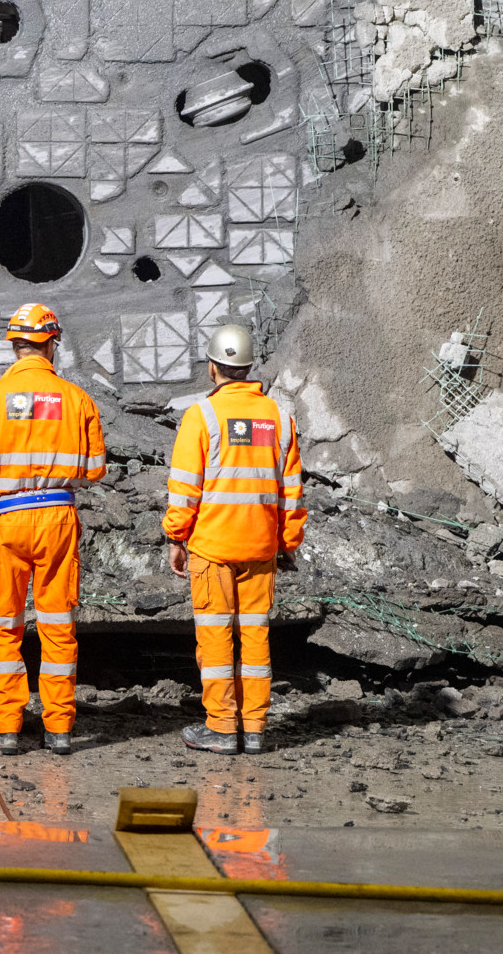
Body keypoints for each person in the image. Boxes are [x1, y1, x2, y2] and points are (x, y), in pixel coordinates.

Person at [0, 303, 105, 756]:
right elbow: (96, 469)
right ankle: (59, 730)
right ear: (51, 344)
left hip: (7, 518)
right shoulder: (77, 399)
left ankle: (6, 729)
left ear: (14, 345)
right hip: (58, 518)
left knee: (3, 625)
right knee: (58, 624)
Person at [163, 323, 304, 755]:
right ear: (248, 368)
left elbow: (185, 487)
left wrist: (176, 537)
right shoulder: (280, 418)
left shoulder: (201, 416)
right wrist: (287, 543)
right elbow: (292, 490)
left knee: (216, 637)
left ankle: (224, 727)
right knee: (256, 637)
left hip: (212, 549)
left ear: (212, 368)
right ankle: (256, 728)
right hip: (261, 549)